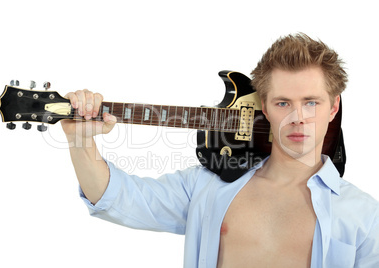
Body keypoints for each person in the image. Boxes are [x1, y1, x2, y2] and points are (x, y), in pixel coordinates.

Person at [61, 33, 379, 267]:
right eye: (283, 103)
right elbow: (117, 197)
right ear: (265, 109)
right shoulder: (209, 186)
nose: (298, 118)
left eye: (311, 102)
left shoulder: (365, 216)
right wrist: (80, 140)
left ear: (334, 106)